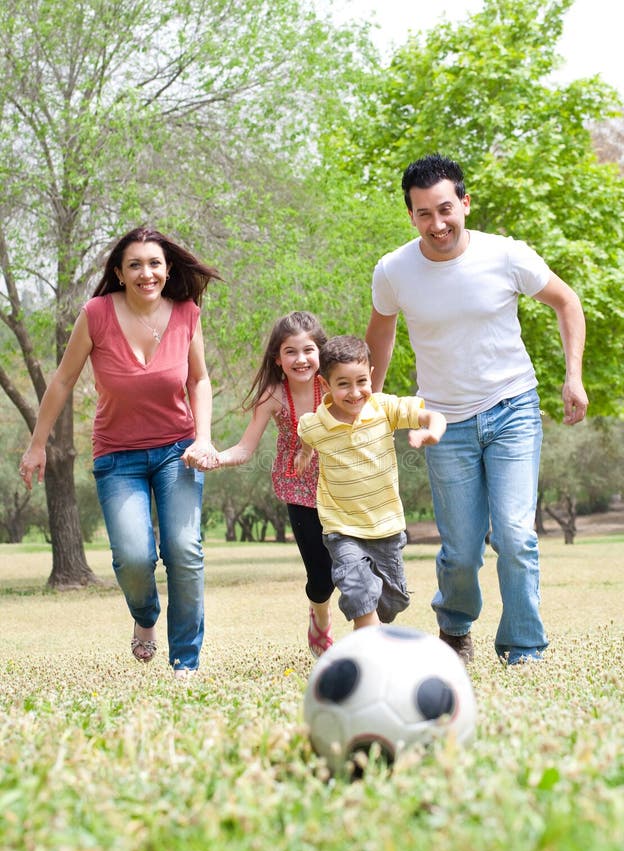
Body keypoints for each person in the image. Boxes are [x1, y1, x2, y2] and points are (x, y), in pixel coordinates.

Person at [366, 153, 588, 665]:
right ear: (411, 216)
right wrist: (368, 406)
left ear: (465, 202)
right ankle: (456, 626)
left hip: (512, 406)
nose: (437, 224)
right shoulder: (394, 270)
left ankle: (523, 647)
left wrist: (572, 376)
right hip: (443, 421)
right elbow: (381, 337)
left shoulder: (506, 255)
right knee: (461, 550)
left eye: (446, 209)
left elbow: (567, 302)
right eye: (424, 213)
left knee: (515, 535)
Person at [19, 226, 221, 678]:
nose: (146, 272)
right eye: (135, 264)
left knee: (184, 550)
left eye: (155, 263)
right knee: (133, 558)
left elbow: (199, 380)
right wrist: (37, 445)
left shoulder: (187, 313)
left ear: (168, 270)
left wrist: (203, 438)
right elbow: (62, 382)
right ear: (119, 271)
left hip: (177, 450)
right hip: (118, 457)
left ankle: (184, 663)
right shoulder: (96, 314)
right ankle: (145, 615)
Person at [202, 311, 335, 658]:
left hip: (343, 485)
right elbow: (246, 448)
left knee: (353, 565)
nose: (301, 359)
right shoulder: (273, 396)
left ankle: (369, 636)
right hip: (300, 489)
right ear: (278, 359)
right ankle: (320, 614)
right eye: (290, 351)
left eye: (308, 350)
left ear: (321, 352)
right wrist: (216, 457)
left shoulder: (335, 386)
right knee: (321, 578)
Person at [296, 335, 446, 630]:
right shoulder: (315, 423)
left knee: (393, 600)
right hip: (342, 528)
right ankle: (369, 653)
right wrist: (305, 453)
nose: (355, 393)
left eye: (362, 381)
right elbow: (306, 435)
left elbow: (434, 415)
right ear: (325, 385)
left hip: (386, 526)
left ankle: (368, 631)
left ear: (371, 376)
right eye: (343, 384)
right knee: (358, 590)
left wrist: (432, 432)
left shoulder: (384, 408)